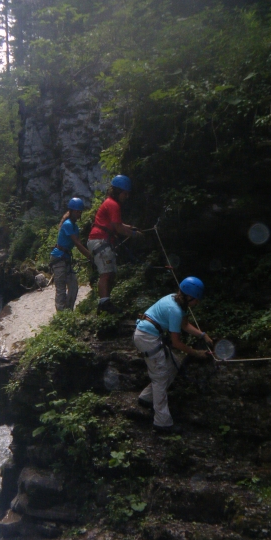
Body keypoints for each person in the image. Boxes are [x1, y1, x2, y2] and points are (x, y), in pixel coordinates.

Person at [133, 277, 213, 434]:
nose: (197, 303)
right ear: (189, 297)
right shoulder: (175, 310)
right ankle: (162, 423)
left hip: (147, 334)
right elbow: (176, 343)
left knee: (172, 364)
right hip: (146, 337)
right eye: (196, 300)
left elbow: (184, 325)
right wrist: (196, 353)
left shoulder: (174, 299)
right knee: (160, 377)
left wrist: (203, 335)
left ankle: (146, 397)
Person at [87, 175, 140, 313]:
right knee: (106, 273)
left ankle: (105, 302)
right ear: (118, 192)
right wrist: (133, 234)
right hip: (100, 240)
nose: (126, 197)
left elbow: (117, 224)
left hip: (100, 240)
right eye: (125, 193)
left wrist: (131, 227)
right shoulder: (113, 204)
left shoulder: (110, 203)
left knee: (110, 272)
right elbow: (118, 228)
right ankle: (104, 304)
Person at [49, 198, 93, 311]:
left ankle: (68, 311)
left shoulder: (75, 227)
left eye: (80, 212)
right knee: (61, 289)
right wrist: (89, 256)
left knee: (73, 287)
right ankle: (61, 315)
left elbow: (78, 243)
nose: (79, 214)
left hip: (66, 258)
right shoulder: (68, 224)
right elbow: (77, 243)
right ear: (71, 211)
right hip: (58, 258)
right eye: (77, 211)